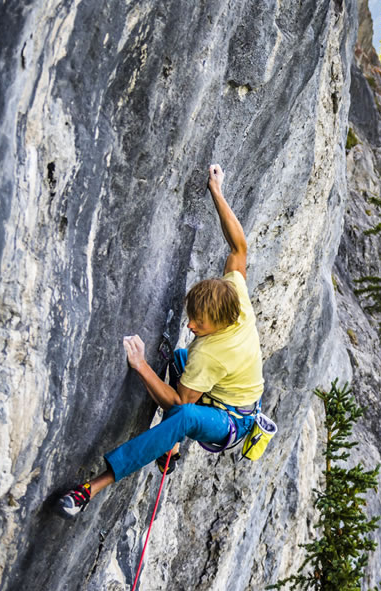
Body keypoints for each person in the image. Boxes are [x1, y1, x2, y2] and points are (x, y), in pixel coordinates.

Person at [57, 164, 265, 517]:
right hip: (224, 392)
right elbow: (239, 245)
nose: (192, 324)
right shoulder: (236, 296)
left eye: (200, 324)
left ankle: (89, 490)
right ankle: (169, 445)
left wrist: (139, 366)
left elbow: (177, 402)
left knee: (182, 416)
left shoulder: (214, 355)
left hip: (232, 421)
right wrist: (217, 190)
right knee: (179, 358)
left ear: (219, 323)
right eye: (192, 316)